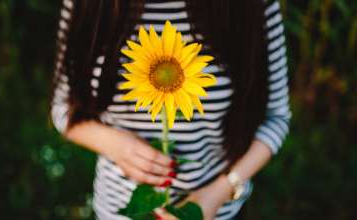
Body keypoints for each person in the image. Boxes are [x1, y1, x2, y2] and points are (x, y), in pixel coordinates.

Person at [50, 0, 292, 219]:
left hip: (217, 210)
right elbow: (64, 108)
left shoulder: (252, 6)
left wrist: (220, 191)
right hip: (117, 210)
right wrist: (117, 146)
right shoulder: (89, 5)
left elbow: (277, 117)